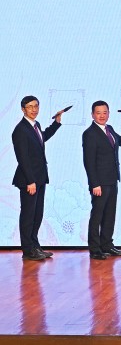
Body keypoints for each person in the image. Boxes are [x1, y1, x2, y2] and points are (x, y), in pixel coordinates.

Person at [12, 96, 65, 261]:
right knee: (28, 215)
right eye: (30, 107)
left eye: (36, 106)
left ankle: (35, 246)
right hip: (30, 181)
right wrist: (30, 181)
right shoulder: (20, 130)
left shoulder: (35, 126)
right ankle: (28, 250)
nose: (34, 109)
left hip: (40, 178)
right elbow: (23, 158)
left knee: (37, 214)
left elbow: (42, 137)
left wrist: (56, 123)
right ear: (23, 109)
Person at [82, 101, 121, 260]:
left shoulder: (109, 129)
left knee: (110, 214)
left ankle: (107, 244)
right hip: (100, 182)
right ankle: (95, 249)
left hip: (112, 179)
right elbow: (88, 161)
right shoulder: (89, 133)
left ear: (109, 113)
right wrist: (94, 184)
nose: (102, 115)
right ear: (92, 115)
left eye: (105, 112)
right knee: (97, 215)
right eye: (98, 112)